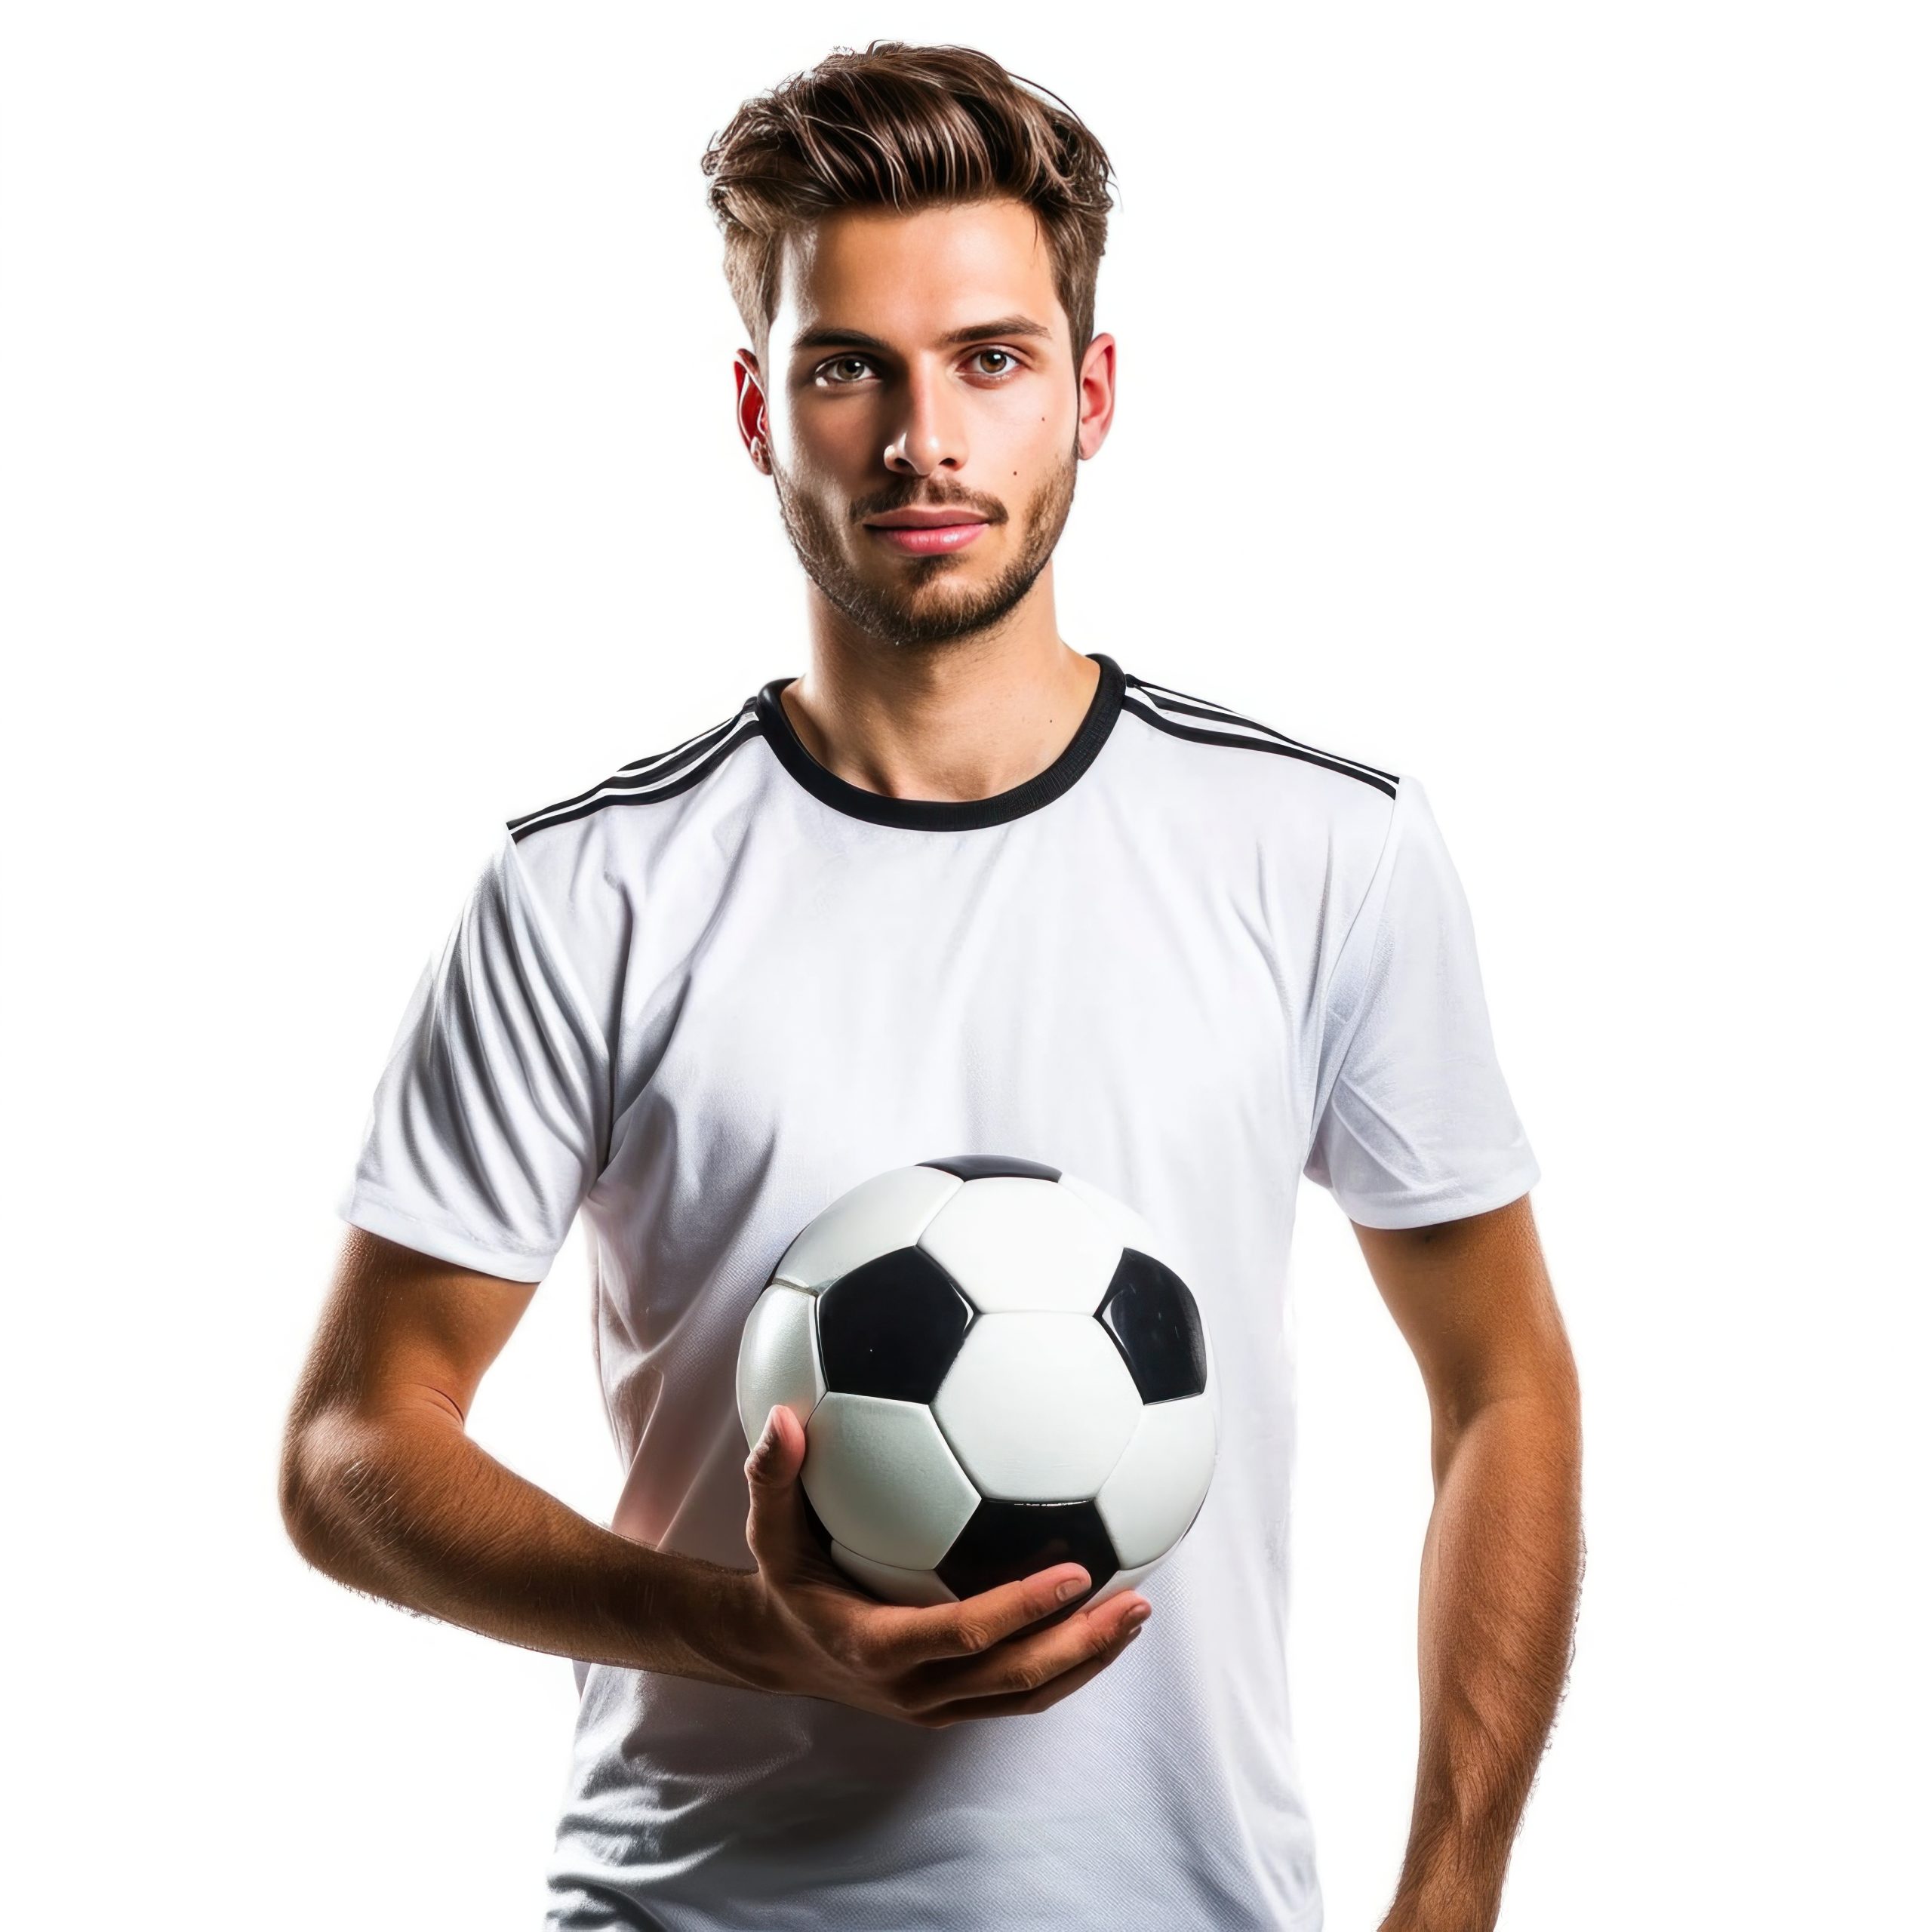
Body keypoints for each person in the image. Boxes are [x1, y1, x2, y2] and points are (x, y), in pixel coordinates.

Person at [280, 39, 1583, 1932]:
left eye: (989, 358)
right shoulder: (586, 888)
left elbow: (1501, 1378)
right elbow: (349, 1441)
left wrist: (1447, 1895)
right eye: (845, 368)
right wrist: (746, 1634)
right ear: (755, 407)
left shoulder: (1322, 849)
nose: (921, 440)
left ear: (1092, 389)